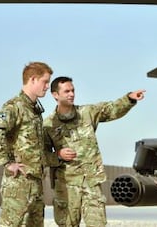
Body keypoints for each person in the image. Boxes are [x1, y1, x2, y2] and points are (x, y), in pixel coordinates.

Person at [43, 76, 145, 227]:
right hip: (66, 187)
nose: (71, 94)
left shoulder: (87, 113)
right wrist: (58, 155)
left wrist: (129, 99)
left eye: (73, 90)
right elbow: (41, 156)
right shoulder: (48, 125)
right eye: (66, 91)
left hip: (91, 182)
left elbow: (110, 109)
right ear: (55, 95)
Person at [0, 61, 54, 227]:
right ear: (32, 79)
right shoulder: (14, 107)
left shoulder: (34, 110)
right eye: (45, 82)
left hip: (35, 183)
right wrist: (8, 163)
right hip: (18, 185)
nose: (47, 87)